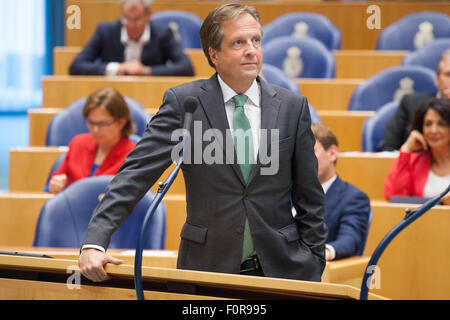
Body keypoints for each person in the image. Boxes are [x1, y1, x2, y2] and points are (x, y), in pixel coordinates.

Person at [79, 3, 327, 282]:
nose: (251, 50)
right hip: (207, 268)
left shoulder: (292, 107)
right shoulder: (186, 104)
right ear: (214, 54)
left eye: (255, 40)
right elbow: (134, 175)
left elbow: (310, 197)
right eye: (238, 42)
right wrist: (94, 242)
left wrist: (313, 260)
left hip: (283, 270)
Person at [69, 0, 194, 76]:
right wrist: (118, 68)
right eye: (126, 19)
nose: (131, 25)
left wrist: (145, 71)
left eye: (137, 19)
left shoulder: (163, 34)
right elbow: (76, 66)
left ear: (148, 16)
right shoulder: (105, 31)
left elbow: (186, 67)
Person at [47, 87, 136, 194]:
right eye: (91, 122)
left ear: (121, 123)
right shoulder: (78, 144)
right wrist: (55, 186)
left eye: (102, 124)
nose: (95, 130)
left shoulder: (133, 156)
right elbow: (53, 185)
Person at [310, 123, 371, 261]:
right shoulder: (287, 192)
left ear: (332, 153)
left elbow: (350, 239)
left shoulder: (354, 198)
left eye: (312, 151)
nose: (305, 159)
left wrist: (325, 252)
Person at [378, 49, 450, 151]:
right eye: (448, 75)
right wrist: (406, 151)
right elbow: (387, 149)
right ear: (437, 79)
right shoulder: (411, 104)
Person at [384, 98, 450, 205]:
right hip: (423, 221)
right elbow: (394, 198)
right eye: (428, 124)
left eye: (441, 124)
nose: (433, 130)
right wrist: (406, 150)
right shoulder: (414, 162)